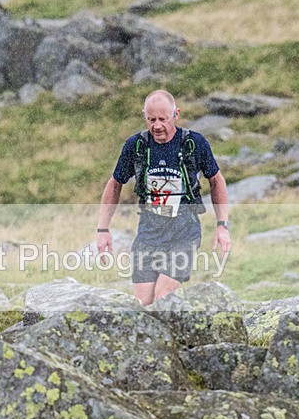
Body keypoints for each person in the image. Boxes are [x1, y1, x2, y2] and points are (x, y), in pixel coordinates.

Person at [96, 89, 231, 305]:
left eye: (162, 119)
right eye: (151, 119)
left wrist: (222, 225)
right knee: (143, 305)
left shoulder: (194, 144)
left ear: (176, 114)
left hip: (184, 233)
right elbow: (115, 184)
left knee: (162, 299)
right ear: (144, 116)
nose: (157, 126)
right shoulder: (136, 146)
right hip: (149, 234)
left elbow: (216, 181)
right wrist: (103, 230)